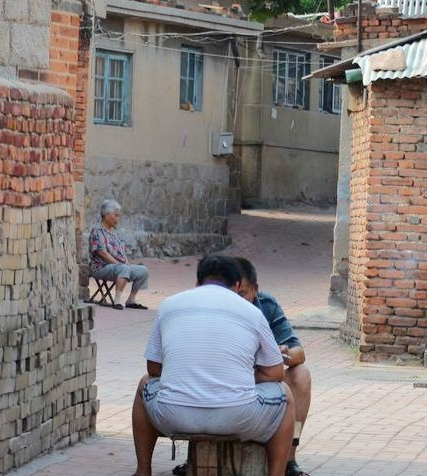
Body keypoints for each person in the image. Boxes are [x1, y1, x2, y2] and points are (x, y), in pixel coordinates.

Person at [133, 254, 298, 476]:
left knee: (145, 384)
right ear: (238, 284)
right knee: (285, 394)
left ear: (198, 283)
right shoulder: (252, 312)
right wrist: (242, 377)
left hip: (173, 416)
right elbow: (276, 373)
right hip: (238, 417)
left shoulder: (169, 305)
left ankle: (143, 471)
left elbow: (152, 368)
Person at [232, 257, 312, 476]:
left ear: (255, 290)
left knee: (301, 375)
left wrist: (282, 354)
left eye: (243, 294)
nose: (238, 301)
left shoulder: (266, 305)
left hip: (263, 379)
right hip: (226, 383)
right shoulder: (219, 309)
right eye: (233, 294)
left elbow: (298, 352)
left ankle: (289, 459)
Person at [88, 198, 151, 309]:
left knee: (143, 271)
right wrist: (120, 265)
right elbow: (102, 253)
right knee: (124, 268)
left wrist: (126, 264)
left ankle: (131, 299)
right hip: (101, 267)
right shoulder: (97, 231)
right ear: (106, 215)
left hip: (119, 268)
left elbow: (122, 253)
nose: (118, 218)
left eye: (119, 215)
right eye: (116, 215)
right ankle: (117, 300)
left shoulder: (115, 234)